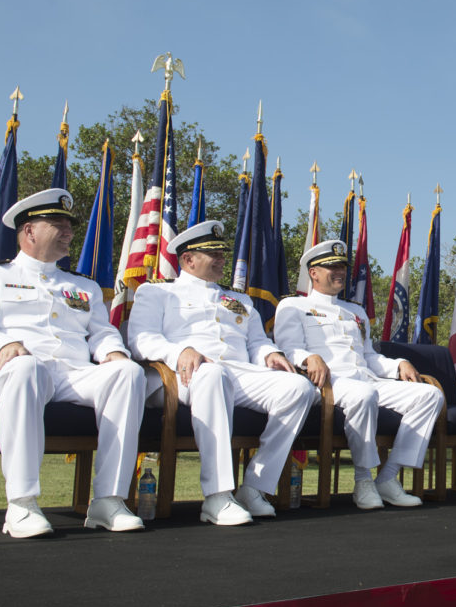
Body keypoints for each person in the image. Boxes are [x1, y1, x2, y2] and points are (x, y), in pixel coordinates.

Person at [0, 188, 146, 538]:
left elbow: (101, 333)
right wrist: (3, 343)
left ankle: (108, 500)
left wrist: (112, 352)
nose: (69, 232)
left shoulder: (81, 286)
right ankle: (22, 504)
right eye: (59, 224)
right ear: (29, 231)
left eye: (69, 225)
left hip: (73, 373)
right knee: (26, 368)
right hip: (16, 369)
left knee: (128, 372)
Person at [127, 220, 317, 525]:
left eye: (221, 253)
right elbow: (141, 339)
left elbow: (256, 342)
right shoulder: (157, 293)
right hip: (183, 376)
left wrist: (271, 354)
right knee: (213, 375)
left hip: (239, 373)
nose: (221, 259)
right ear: (188, 259)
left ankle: (254, 486)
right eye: (212, 253)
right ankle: (217, 496)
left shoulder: (239, 300)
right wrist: (179, 352)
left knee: (299, 388)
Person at [275, 240, 445, 509]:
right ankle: (363, 480)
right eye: (331, 266)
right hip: (327, 383)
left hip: (364, 378)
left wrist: (398, 364)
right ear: (313, 273)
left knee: (430, 395)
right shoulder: (293, 306)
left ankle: (388, 478)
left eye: (342, 266)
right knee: (363, 394)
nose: (339, 271)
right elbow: (287, 348)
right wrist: (309, 358)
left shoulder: (355, 312)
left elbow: (368, 356)